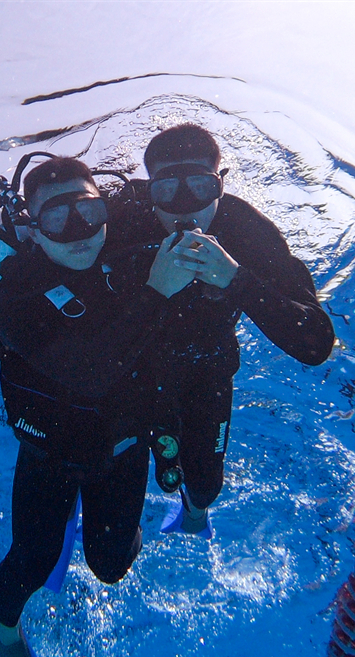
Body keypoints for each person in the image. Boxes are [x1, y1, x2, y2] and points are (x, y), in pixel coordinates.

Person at [0, 156, 194, 657]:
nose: (78, 232)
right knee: (33, 560)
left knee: (112, 567)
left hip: (122, 448)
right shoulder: (17, 294)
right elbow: (89, 373)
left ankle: (95, 530)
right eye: (56, 220)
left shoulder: (130, 254)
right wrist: (156, 293)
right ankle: (7, 634)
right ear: (32, 225)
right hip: (51, 453)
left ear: (106, 209)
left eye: (89, 211)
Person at [105, 123, 335, 537]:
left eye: (199, 186)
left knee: (205, 482)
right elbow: (57, 223)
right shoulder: (125, 215)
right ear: (149, 188)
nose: (182, 206)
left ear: (221, 186)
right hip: (132, 367)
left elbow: (316, 343)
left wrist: (236, 278)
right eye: (166, 191)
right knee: (124, 463)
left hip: (207, 369)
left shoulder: (249, 232)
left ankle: (194, 516)